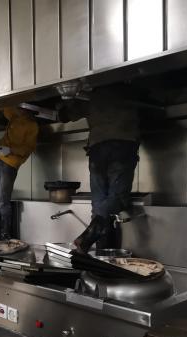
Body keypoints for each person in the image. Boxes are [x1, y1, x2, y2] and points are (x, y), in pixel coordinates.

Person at [58, 85, 140, 253]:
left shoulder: (92, 98)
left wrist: (65, 101)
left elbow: (65, 116)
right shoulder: (130, 90)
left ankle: (102, 255)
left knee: (99, 205)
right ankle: (89, 237)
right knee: (118, 199)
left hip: (97, 150)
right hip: (123, 146)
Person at [0, 106, 39, 241]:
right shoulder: (15, 116)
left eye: (22, 108)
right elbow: (6, 106)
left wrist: (10, 150)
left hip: (10, 163)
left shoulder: (32, 125)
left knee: (3, 201)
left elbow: (28, 149)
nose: (19, 110)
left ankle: (5, 236)